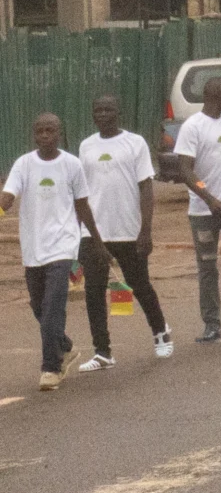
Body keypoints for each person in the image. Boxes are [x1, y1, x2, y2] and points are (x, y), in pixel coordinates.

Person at [73, 93, 171, 368]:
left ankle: (160, 331)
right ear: (93, 115)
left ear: (119, 113)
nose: (103, 114)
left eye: (109, 110)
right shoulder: (86, 146)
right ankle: (103, 352)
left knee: (139, 285)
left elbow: (146, 187)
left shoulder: (135, 143)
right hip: (94, 233)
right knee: (94, 291)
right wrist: (78, 229)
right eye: (98, 110)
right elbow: (81, 193)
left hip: (129, 230)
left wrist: (145, 230)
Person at [5, 113, 100, 389]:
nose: (45, 135)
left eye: (50, 131)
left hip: (63, 246)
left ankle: (51, 368)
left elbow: (82, 206)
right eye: (40, 131)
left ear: (60, 133)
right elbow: (8, 196)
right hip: (33, 248)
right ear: (34, 134)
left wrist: (97, 241)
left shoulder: (72, 165)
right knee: (39, 307)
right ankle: (66, 347)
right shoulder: (24, 164)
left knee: (52, 310)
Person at [171, 77, 221, 341]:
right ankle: (212, 324)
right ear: (215, 95)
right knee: (207, 265)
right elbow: (185, 170)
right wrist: (208, 197)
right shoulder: (193, 127)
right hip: (203, 212)